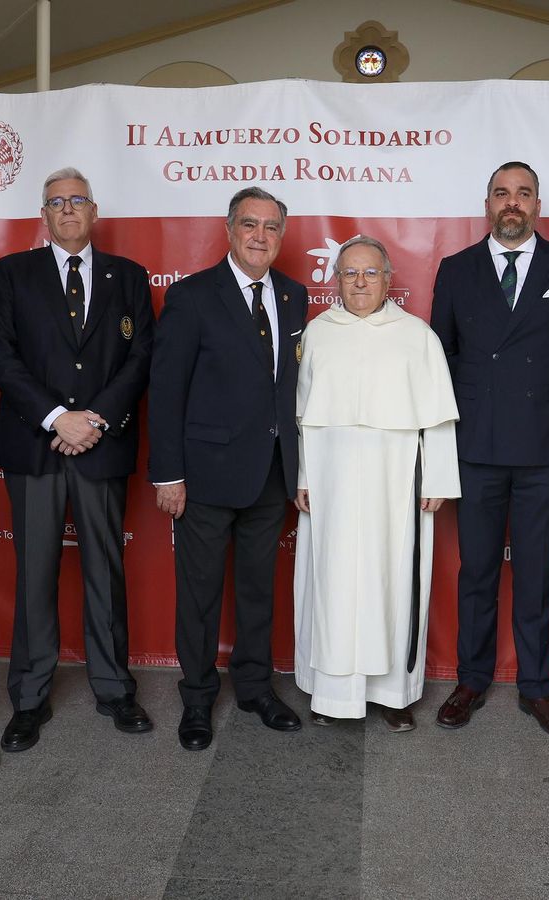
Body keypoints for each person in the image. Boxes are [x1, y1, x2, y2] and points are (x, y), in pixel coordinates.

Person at [0, 168, 155, 750]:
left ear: (94, 210)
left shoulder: (128, 277)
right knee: (35, 571)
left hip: (101, 444)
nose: (66, 210)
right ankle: (29, 698)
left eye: (76, 201)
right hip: (35, 445)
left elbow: (139, 359)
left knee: (104, 570)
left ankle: (114, 689)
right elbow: (2, 358)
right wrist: (59, 418)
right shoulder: (12, 273)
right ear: (44, 214)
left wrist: (95, 419)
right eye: (55, 203)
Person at [429, 161, 549, 738]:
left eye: (523, 193)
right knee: (476, 570)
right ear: (487, 203)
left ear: (537, 204)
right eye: (502, 193)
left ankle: (536, 688)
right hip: (475, 444)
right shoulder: (456, 269)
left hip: (541, 445)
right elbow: (441, 355)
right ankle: (471, 679)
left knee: (532, 573)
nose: (512, 203)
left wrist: (535, 397)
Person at [147, 186, 308, 751]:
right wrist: (167, 474)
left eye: (270, 227)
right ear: (229, 230)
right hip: (206, 474)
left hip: (269, 472)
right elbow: (165, 391)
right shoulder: (191, 296)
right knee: (199, 594)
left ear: (281, 236)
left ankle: (255, 689)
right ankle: (196, 699)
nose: (260, 236)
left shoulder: (293, 295)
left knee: (258, 590)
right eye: (249, 225)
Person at [291, 236, 460, 732]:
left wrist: (438, 478)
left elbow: (439, 421)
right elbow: (303, 416)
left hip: (397, 481)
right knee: (332, 581)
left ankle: (394, 694)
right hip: (331, 479)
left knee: (394, 580)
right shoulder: (317, 334)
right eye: (349, 273)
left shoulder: (417, 335)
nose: (360, 282)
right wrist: (303, 476)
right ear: (335, 280)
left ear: (389, 280)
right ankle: (332, 693)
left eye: (370, 273)